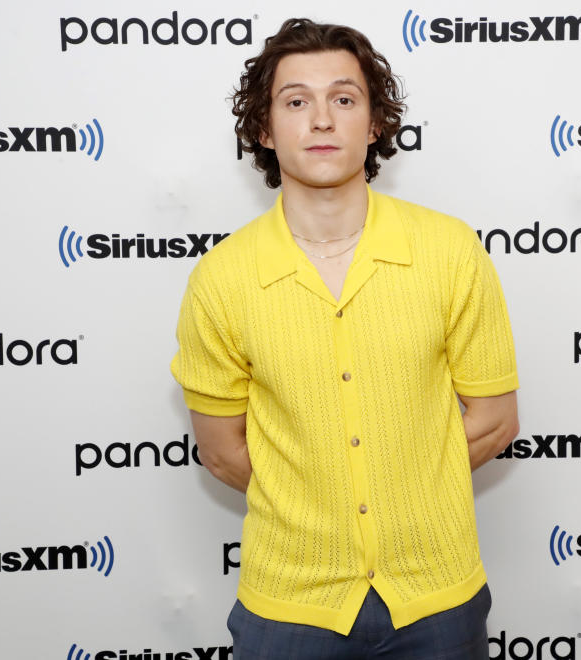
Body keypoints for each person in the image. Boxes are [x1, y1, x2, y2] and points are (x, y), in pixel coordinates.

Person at [171, 18, 519, 660]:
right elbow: (222, 452)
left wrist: (411, 489)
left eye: (344, 98)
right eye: (296, 101)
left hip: (439, 599)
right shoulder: (222, 277)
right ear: (266, 130)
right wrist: (315, 503)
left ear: (376, 122)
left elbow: (494, 421)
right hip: (287, 608)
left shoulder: (450, 251)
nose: (322, 120)